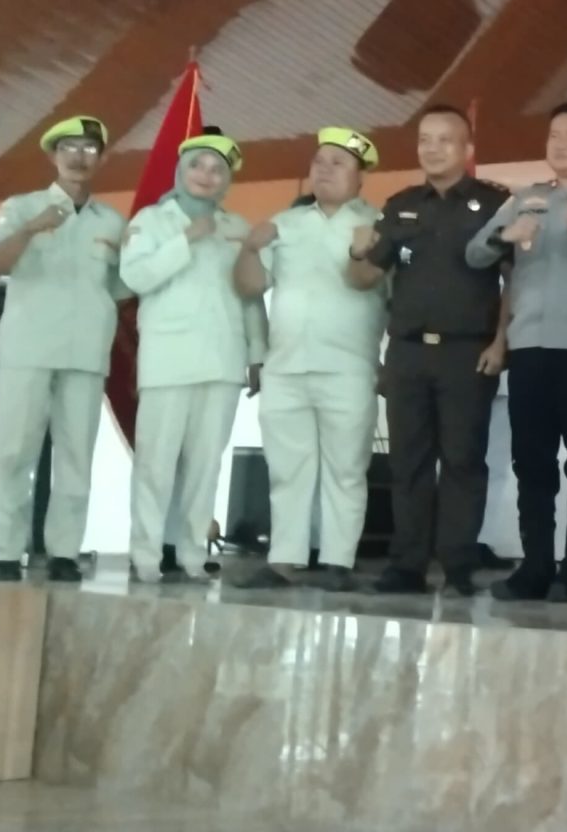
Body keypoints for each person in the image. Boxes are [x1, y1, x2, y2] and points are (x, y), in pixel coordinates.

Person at [465, 103, 567, 603]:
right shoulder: (526, 199)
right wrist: (505, 235)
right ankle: (535, 566)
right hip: (529, 346)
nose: (560, 143)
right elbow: (475, 253)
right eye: (554, 134)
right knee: (532, 462)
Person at [350, 105, 510, 597]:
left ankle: (458, 565)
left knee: (463, 460)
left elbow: (515, 279)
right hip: (408, 352)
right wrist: (357, 251)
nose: (432, 148)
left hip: (468, 352)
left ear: (467, 149)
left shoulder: (495, 203)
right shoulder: (400, 205)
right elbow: (364, 278)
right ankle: (407, 565)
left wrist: (501, 342)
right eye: (424, 139)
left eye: (445, 139)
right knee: (408, 462)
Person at [0, 115, 128, 582]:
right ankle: (6, 551)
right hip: (28, 349)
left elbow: (122, 287)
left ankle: (64, 551)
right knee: (14, 452)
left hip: (85, 352)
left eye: (89, 149)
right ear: (52, 155)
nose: (79, 157)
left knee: (76, 456)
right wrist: (31, 229)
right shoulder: (22, 207)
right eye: (69, 148)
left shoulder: (112, 221)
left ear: (102, 158)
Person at [232, 127, 386, 591]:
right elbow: (250, 287)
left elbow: (395, 295)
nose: (325, 170)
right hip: (285, 367)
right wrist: (250, 247)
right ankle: (283, 560)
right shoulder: (286, 223)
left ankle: (339, 562)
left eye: (338, 163)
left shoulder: (378, 225)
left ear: (360, 176)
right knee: (287, 470)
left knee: (347, 469)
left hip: (349, 367)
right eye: (319, 162)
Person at [118, 133, 266, 583]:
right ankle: (145, 555)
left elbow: (250, 295)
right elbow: (135, 277)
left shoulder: (236, 227)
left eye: (218, 169)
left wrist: (257, 354)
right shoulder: (152, 220)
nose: (207, 175)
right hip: (168, 359)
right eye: (198, 165)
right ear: (181, 171)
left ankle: (192, 554)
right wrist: (185, 239)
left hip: (222, 358)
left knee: (205, 466)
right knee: (155, 464)